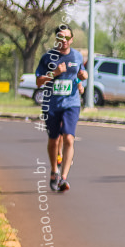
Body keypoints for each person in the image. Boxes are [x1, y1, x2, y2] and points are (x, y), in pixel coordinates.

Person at [36, 25, 87, 192]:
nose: (64, 41)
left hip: (71, 103)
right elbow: (38, 81)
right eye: (60, 37)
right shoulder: (47, 58)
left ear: (71, 39)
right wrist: (54, 73)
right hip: (52, 104)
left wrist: (82, 79)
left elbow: (81, 73)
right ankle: (53, 171)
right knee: (53, 140)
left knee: (69, 139)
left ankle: (63, 178)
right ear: (56, 39)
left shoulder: (77, 56)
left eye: (67, 38)